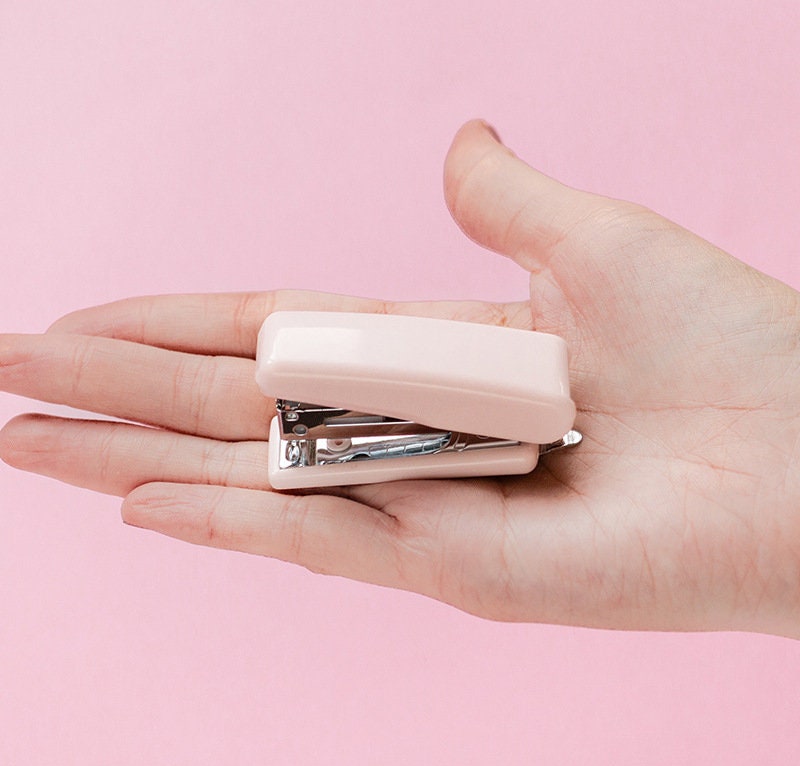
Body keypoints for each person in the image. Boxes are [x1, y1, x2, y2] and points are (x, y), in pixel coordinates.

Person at [1, 120, 799, 638]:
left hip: (532, 407)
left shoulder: (535, 412)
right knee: (290, 378)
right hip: (519, 403)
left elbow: (541, 403)